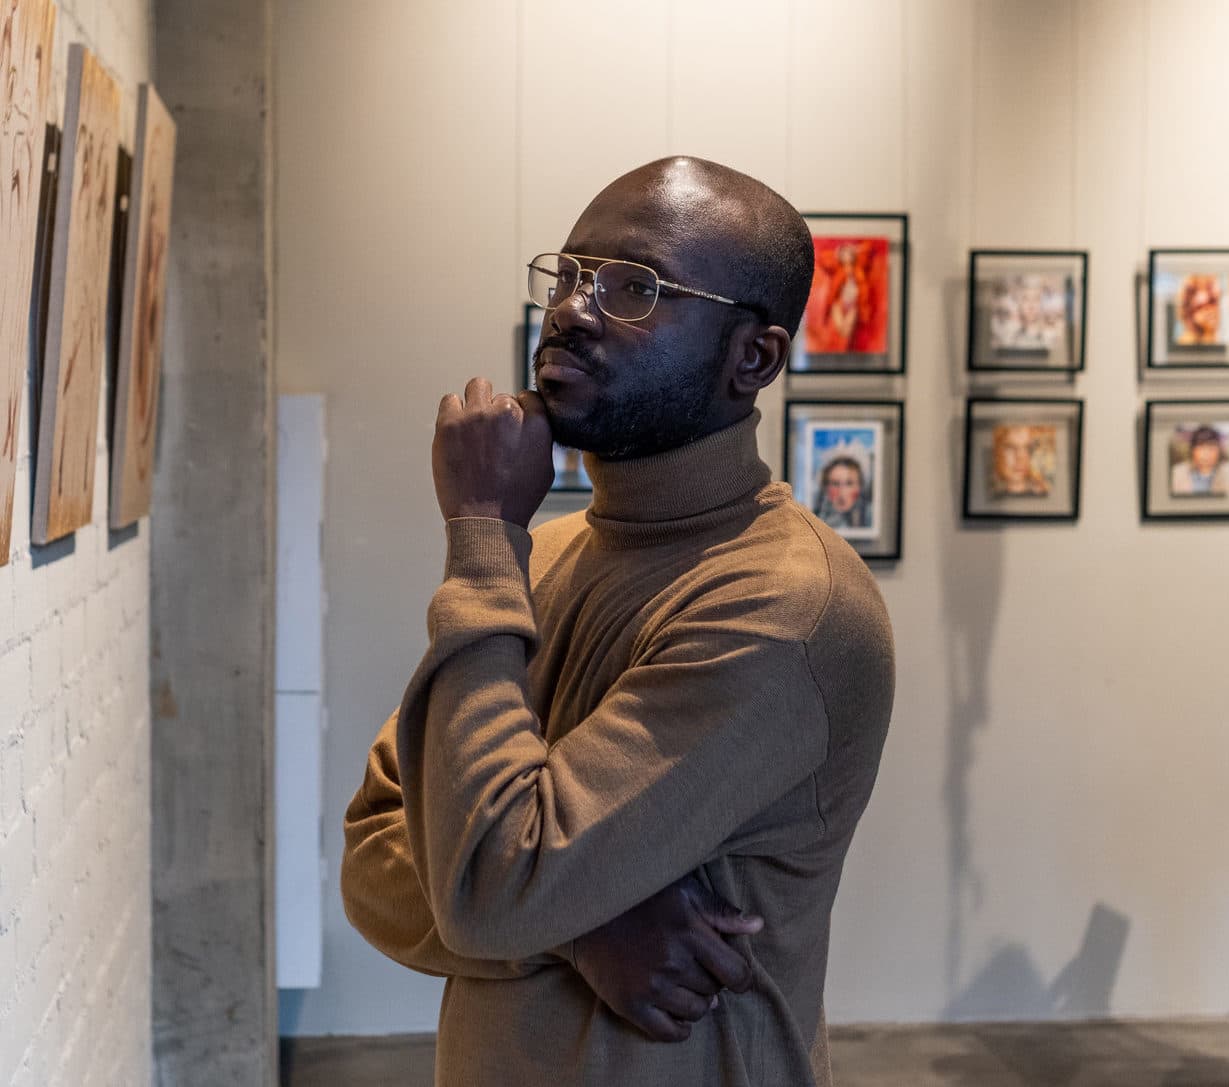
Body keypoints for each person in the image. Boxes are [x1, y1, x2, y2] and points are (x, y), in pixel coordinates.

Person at [340, 156, 895, 1087]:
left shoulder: (788, 605)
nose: (571, 309)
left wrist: (482, 531)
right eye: (569, 274)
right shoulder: (544, 558)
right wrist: (584, 926)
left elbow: (487, 884)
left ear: (751, 358)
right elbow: (373, 850)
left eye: (635, 287)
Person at [813, 454, 872, 533]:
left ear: (859, 487)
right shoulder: (816, 519)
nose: (842, 492)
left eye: (849, 483)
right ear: (826, 488)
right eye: (835, 483)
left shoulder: (869, 517)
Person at [1171, 425, 1229, 497]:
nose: (1206, 454)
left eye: (1211, 448)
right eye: (1201, 448)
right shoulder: (1178, 472)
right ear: (1192, 450)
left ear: (1219, 450)